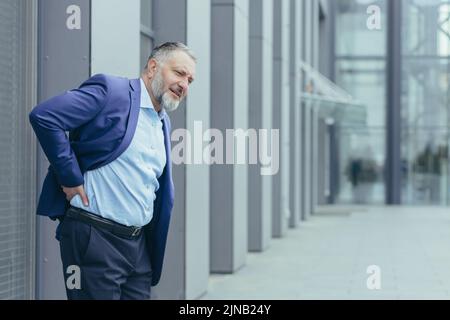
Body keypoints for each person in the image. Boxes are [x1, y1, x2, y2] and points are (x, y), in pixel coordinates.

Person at [29, 42, 196, 299]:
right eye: (179, 73)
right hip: (95, 239)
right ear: (153, 67)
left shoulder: (163, 121)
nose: (184, 84)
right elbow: (45, 116)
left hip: (137, 249)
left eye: (190, 80)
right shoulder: (111, 92)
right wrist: (69, 176)